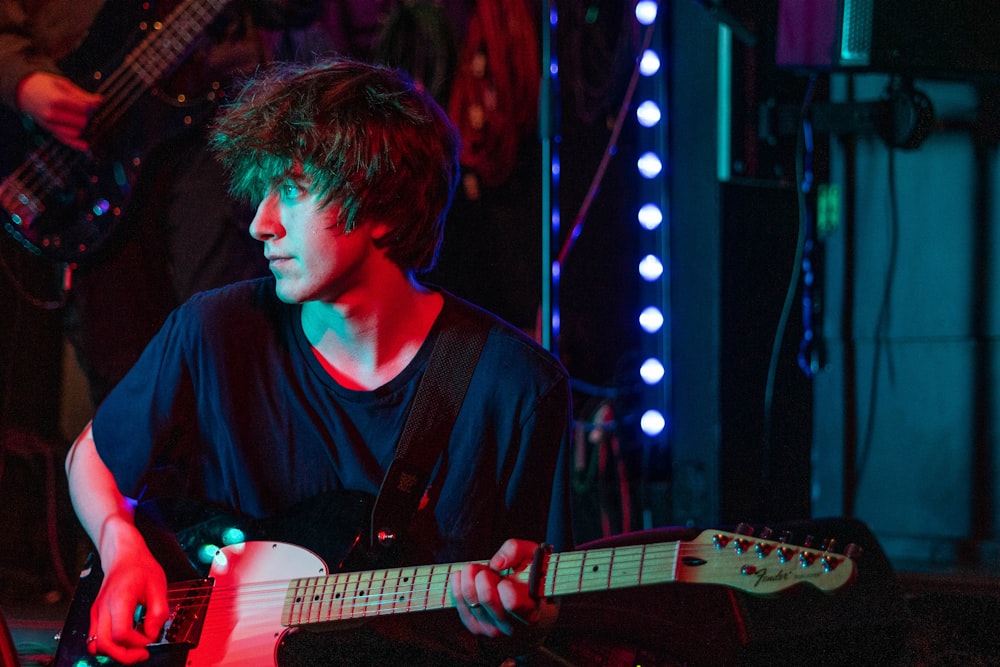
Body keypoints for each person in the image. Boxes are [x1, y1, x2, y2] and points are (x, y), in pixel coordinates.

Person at [63, 58, 573, 665]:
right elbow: (92, 456)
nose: (261, 223)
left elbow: (533, 593)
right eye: (263, 190)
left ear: (382, 207)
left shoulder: (517, 386)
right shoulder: (215, 328)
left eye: (293, 191)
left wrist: (521, 615)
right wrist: (121, 548)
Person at [0, 0, 321, 405]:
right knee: (124, 365)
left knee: (229, 335)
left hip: (213, 122)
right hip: (79, 139)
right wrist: (23, 82)